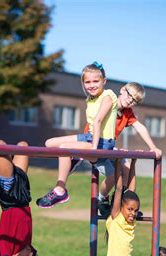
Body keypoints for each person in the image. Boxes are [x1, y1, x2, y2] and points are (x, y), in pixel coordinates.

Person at [37, 61, 118, 208]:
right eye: (87, 82)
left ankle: (60, 190)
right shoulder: (90, 99)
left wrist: (93, 148)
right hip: (89, 136)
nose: (91, 85)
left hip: (102, 143)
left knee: (64, 148)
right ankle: (74, 157)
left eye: (96, 81)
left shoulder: (108, 96)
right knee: (49, 143)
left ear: (104, 81)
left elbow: (99, 120)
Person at [80, 82, 162, 216]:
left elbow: (140, 127)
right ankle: (101, 198)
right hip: (94, 144)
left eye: (135, 100)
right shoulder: (109, 103)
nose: (130, 100)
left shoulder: (127, 113)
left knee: (127, 166)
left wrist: (153, 148)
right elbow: (97, 121)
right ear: (122, 90)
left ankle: (123, 201)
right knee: (113, 175)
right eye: (130, 95)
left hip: (109, 146)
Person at [105, 157, 140, 256]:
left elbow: (132, 189)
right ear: (120, 208)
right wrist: (118, 163)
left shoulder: (130, 221)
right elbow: (119, 189)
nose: (132, 213)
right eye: (130, 209)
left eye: (135, 210)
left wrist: (133, 163)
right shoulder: (116, 217)